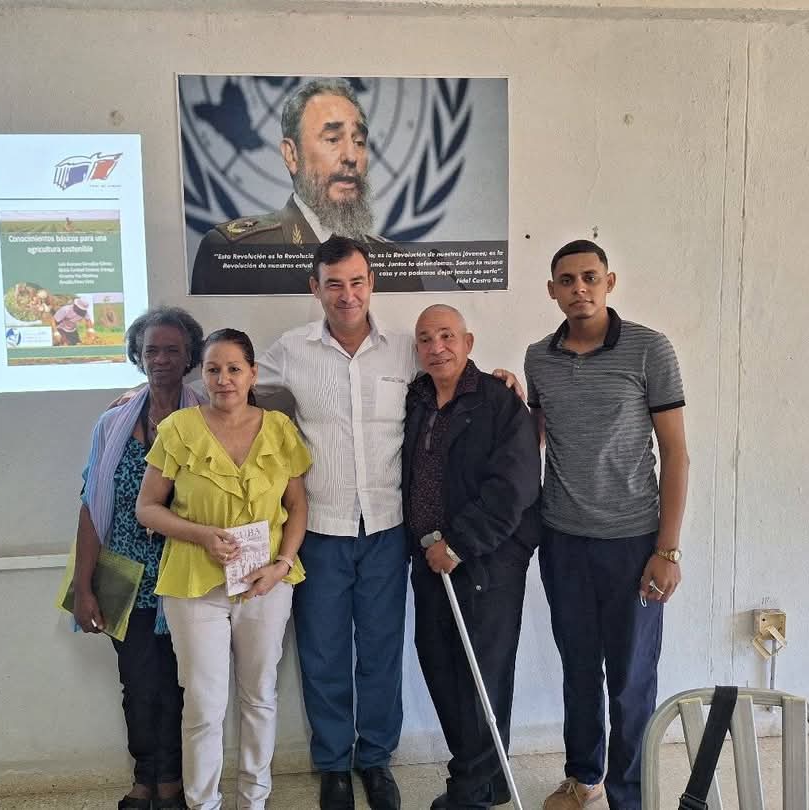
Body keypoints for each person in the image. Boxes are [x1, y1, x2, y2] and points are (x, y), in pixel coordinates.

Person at [255, 235, 524, 810]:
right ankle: (332, 764)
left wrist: (503, 381)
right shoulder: (289, 350)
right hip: (321, 529)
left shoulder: (405, 349)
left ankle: (375, 760)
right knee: (323, 652)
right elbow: (227, 382)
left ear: (371, 283)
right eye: (333, 284)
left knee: (380, 651)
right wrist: (147, 392)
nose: (346, 295)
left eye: (356, 281)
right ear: (315, 288)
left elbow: (457, 375)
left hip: (387, 530)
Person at [523, 240, 689, 810]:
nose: (579, 289)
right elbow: (534, 441)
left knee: (631, 678)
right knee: (577, 668)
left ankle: (629, 794)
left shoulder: (649, 349)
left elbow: (677, 454)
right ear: (551, 290)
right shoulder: (538, 358)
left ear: (609, 281)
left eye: (589, 277)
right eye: (566, 280)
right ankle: (584, 777)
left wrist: (667, 550)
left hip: (634, 542)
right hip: (563, 540)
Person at [136, 328, 312, 810]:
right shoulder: (178, 430)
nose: (224, 379)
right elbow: (147, 508)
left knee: (260, 696)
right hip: (194, 584)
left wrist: (281, 564)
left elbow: (297, 507)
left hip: (266, 584)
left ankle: (254, 801)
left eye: (235, 368)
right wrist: (201, 535)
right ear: (203, 374)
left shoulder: (279, 428)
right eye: (214, 369)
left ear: (253, 373)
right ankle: (204, 803)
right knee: (204, 706)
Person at [403, 304, 541, 810]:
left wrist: (459, 544)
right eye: (425, 339)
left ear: (469, 341)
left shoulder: (499, 401)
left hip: (484, 561)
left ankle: (472, 791)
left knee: (480, 675)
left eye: (446, 336)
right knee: (440, 665)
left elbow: (516, 484)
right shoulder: (418, 399)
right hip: (429, 562)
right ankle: (485, 775)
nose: (436, 347)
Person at [72, 305, 206, 810]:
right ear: (137, 355)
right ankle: (144, 781)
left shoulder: (206, 418)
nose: (161, 359)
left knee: (178, 685)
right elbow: (91, 507)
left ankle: (172, 783)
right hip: (123, 573)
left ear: (190, 355)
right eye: (152, 350)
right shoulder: (112, 423)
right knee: (137, 685)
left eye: (173, 350)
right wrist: (85, 588)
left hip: (186, 573)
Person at [190, 78, 445, 295]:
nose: (351, 156)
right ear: (292, 155)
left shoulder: (397, 265)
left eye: (359, 141)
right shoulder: (232, 252)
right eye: (333, 139)